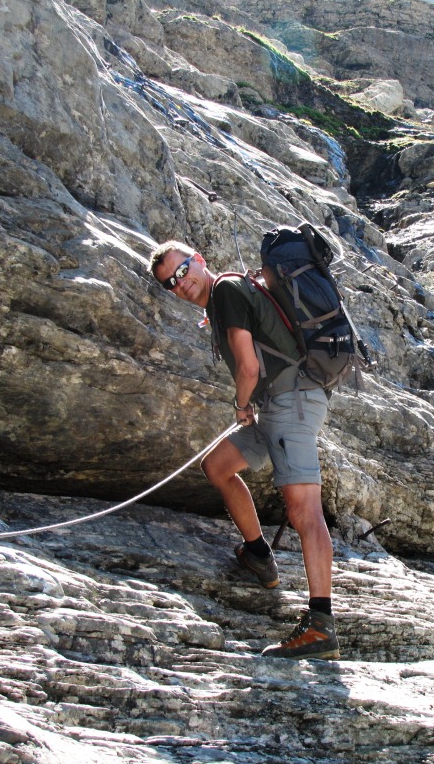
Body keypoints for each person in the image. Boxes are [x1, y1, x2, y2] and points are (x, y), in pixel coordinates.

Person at [149, 239, 340, 660]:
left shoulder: (225, 291)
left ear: (199, 259)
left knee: (303, 509)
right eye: (170, 283)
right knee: (217, 466)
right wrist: (251, 405)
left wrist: (240, 405)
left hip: (292, 401)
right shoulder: (224, 299)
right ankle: (258, 554)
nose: (180, 283)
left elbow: (249, 367)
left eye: (182, 271)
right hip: (274, 404)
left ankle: (321, 626)